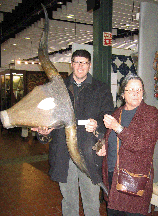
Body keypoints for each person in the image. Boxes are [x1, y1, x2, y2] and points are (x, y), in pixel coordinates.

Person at [32, 49, 114, 216]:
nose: (80, 66)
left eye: (83, 62)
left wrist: (97, 125)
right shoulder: (57, 89)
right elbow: (47, 118)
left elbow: (108, 117)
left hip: (89, 155)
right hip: (64, 154)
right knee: (68, 202)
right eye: (76, 62)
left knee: (91, 203)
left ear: (89, 65)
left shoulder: (101, 89)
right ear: (71, 64)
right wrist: (44, 131)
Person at [97, 74, 158, 216]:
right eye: (131, 90)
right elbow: (113, 140)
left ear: (143, 93)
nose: (135, 93)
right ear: (123, 94)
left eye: (139, 90)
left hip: (135, 179)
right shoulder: (117, 113)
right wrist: (104, 146)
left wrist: (117, 127)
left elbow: (142, 144)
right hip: (114, 177)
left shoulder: (151, 113)